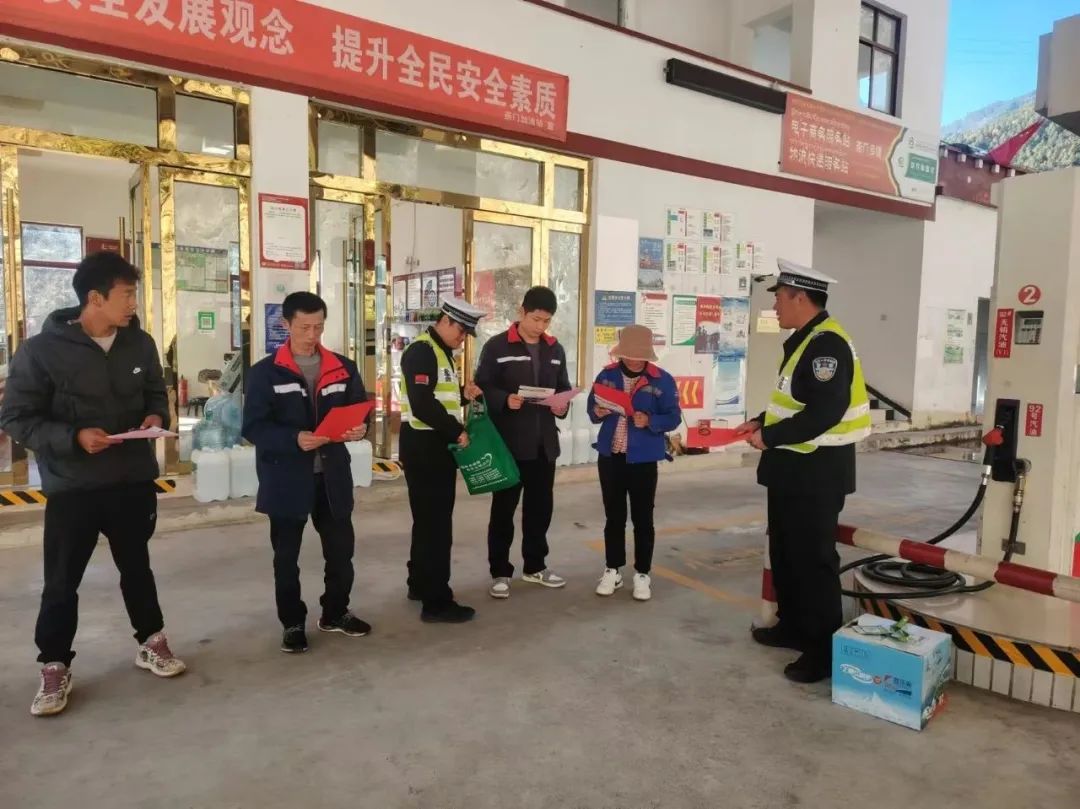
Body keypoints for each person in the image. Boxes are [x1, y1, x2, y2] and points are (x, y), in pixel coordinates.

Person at [0, 251, 185, 717]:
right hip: (74, 486)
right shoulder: (42, 351)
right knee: (62, 580)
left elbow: (155, 394)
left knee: (137, 567)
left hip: (131, 481)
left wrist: (155, 417)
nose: (134, 303)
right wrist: (73, 438)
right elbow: (17, 417)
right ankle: (54, 664)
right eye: (127, 294)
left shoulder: (139, 343)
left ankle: (151, 641)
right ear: (95, 298)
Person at [736, 259, 871, 684]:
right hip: (792, 468)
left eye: (779, 297)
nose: (775, 306)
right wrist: (761, 422)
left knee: (813, 561)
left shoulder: (827, 345)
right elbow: (794, 402)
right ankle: (792, 626)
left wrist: (770, 437)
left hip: (817, 471)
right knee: (786, 554)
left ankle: (822, 650)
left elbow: (825, 412)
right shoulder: (805, 340)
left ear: (800, 298)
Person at [242, 292, 372, 654]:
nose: (312, 335)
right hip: (286, 479)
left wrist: (360, 429)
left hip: (332, 477)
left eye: (318, 327)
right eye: (304, 327)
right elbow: (253, 427)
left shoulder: (343, 367)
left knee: (341, 552)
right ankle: (292, 623)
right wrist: (293, 439)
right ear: (285, 324)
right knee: (286, 558)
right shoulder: (265, 373)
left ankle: (335, 612)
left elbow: (358, 409)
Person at [475, 286, 571, 599]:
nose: (540, 326)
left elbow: (563, 387)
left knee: (540, 509)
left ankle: (535, 566)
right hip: (509, 445)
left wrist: (562, 405)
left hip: (544, 445)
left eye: (546, 321)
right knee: (503, 511)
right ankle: (500, 571)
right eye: (535, 319)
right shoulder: (497, 346)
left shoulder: (555, 350)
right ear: (521, 312)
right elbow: (481, 386)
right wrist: (505, 400)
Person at [399, 297, 485, 623]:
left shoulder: (440, 352)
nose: (462, 339)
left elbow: (438, 397)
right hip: (426, 446)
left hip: (431, 445)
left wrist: (463, 395)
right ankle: (437, 602)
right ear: (446, 320)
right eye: (461, 331)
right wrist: (456, 430)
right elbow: (422, 403)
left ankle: (420, 583)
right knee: (436, 526)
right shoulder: (422, 351)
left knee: (427, 522)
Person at [587, 325, 681, 602]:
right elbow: (592, 408)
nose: (635, 360)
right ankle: (613, 570)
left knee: (643, 518)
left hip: (644, 460)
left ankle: (642, 573)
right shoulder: (607, 375)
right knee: (614, 517)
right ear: (621, 353)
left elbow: (674, 417)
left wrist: (650, 420)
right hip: (611, 457)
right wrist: (597, 410)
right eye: (630, 355)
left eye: (641, 356)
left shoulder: (662, 380)